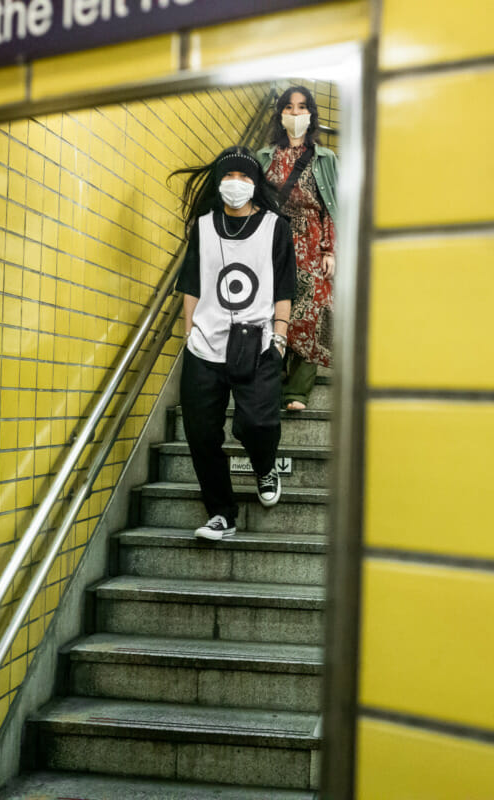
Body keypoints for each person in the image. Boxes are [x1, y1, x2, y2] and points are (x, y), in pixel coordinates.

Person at [170, 146, 297, 540]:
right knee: (201, 434)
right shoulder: (204, 226)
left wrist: (280, 335)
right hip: (205, 346)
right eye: (229, 176)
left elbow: (284, 283)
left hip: (257, 341)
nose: (236, 184)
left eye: (245, 177)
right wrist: (189, 331)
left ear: (256, 184)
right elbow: (191, 282)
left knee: (256, 424)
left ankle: (264, 467)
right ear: (218, 182)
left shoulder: (277, 226)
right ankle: (221, 514)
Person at [257, 85, 338, 412]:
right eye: (289, 107)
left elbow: (332, 206)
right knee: (270, 311)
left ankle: (298, 393)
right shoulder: (265, 156)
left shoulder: (326, 158)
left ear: (310, 114)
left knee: (310, 315)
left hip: (311, 241)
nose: (295, 113)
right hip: (273, 240)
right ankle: (270, 384)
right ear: (280, 114)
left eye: (301, 107)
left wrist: (330, 250)